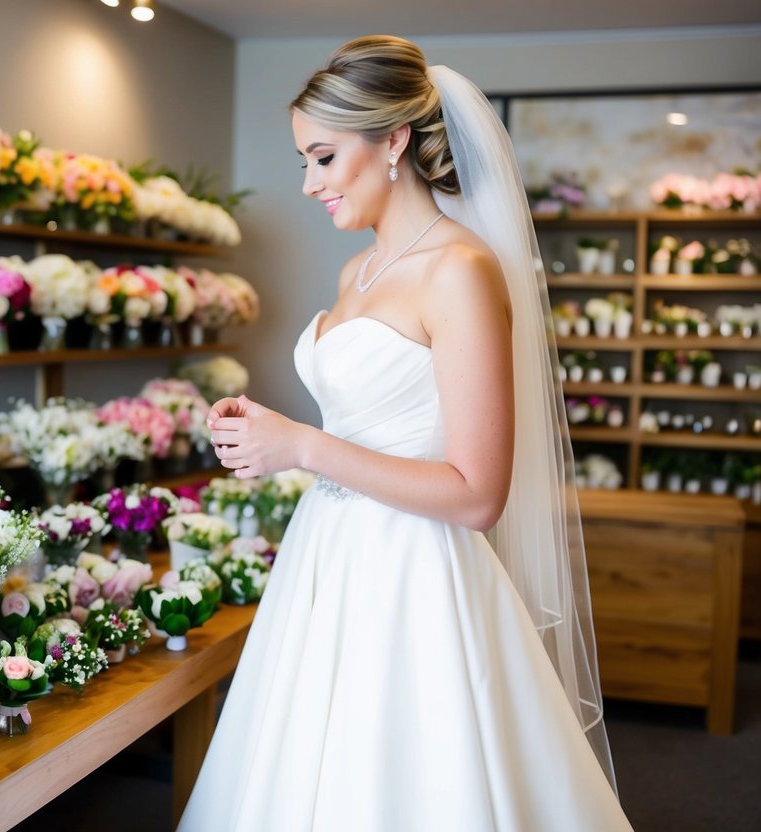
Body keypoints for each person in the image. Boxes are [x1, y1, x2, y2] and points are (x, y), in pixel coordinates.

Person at [177, 35, 633, 831]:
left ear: (392, 142)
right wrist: (265, 432)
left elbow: (477, 494)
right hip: (326, 554)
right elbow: (360, 422)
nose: (310, 183)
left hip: (416, 571)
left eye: (322, 157)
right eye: (302, 162)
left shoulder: (460, 268)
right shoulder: (356, 272)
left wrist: (302, 447)